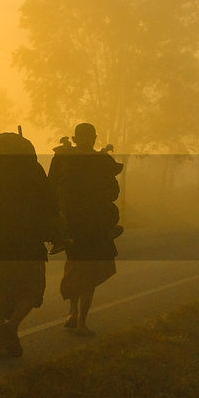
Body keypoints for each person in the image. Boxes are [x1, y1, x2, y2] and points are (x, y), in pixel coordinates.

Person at [0, 130, 62, 358]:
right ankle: (12, 325)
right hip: (27, 240)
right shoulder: (32, 170)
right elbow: (49, 200)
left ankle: (1, 346)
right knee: (31, 289)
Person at [48, 122, 122, 336]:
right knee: (90, 272)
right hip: (96, 225)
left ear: (74, 137)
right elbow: (113, 192)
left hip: (71, 225)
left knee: (75, 266)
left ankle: (72, 312)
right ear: (94, 138)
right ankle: (81, 321)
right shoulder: (103, 161)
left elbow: (50, 187)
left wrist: (54, 220)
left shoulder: (62, 158)